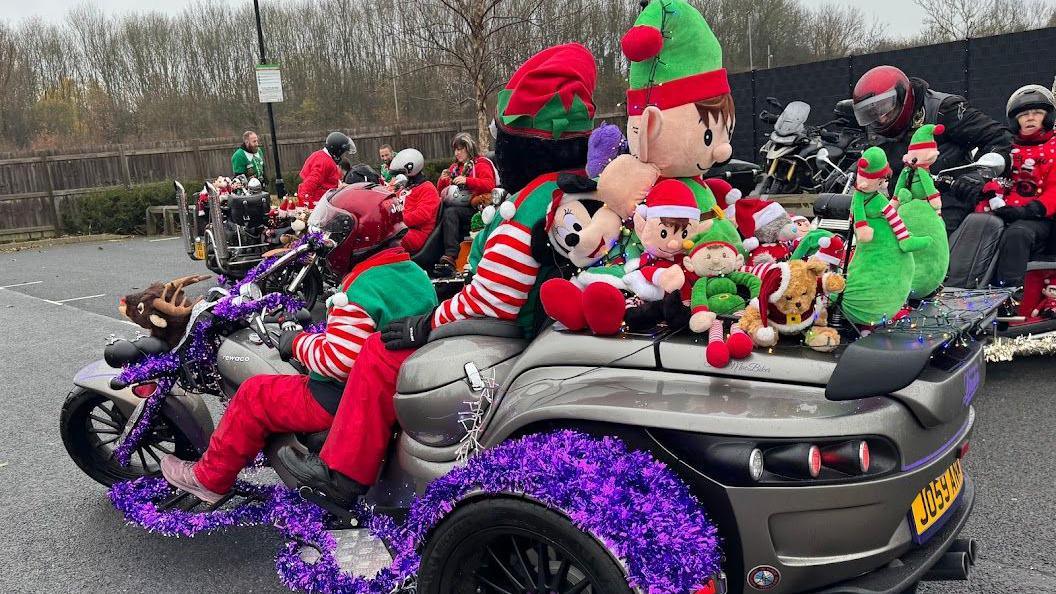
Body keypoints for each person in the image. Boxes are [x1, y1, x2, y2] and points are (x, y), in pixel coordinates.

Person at [275, 43, 598, 506]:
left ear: (522, 142)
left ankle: (343, 475)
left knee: (377, 355)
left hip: (501, 329)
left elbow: (494, 299)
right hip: (529, 325)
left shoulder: (531, 208)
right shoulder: (572, 192)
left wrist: (427, 323)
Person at [158, 184, 437, 505]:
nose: (330, 243)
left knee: (253, 395)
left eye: (336, 233)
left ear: (358, 236)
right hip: (393, 389)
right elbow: (364, 339)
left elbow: (339, 362)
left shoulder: (361, 288)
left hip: (335, 397)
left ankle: (209, 478)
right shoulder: (414, 273)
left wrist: (296, 341)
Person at [852, 65, 1013, 233]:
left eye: (885, 107)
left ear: (902, 97)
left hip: (949, 198)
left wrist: (977, 176)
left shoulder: (944, 110)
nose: (882, 118)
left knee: (928, 245)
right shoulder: (875, 129)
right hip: (902, 203)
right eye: (873, 112)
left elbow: (1000, 137)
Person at [970, 85, 1056, 287]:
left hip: (1039, 218)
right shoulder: (1006, 148)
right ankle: (964, 285)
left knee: (1017, 234)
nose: (1031, 118)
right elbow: (988, 177)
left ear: (1048, 117)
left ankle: (1009, 294)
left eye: (1037, 113)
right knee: (974, 223)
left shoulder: (1053, 148)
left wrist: (1027, 210)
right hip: (1001, 212)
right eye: (1024, 114)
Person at [433, 132, 498, 276]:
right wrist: (443, 181)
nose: (457, 153)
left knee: (450, 212)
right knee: (442, 209)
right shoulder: (454, 168)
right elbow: (442, 193)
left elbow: (490, 184)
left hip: (479, 208)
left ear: (469, 148)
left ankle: (450, 256)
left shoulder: (481, 163)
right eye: (455, 150)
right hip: (459, 207)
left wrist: (467, 181)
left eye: (460, 149)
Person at [388, 148, 440, 254]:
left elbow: (423, 214)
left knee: (388, 236)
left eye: (400, 174)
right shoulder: (405, 188)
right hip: (404, 229)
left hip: (419, 234)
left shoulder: (427, 188)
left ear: (411, 169)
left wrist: (397, 220)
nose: (398, 177)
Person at [296, 132, 354, 209]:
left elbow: (326, 181)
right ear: (337, 150)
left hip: (320, 200)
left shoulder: (319, 155)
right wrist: (306, 204)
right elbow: (311, 182)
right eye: (342, 152)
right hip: (318, 202)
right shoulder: (325, 162)